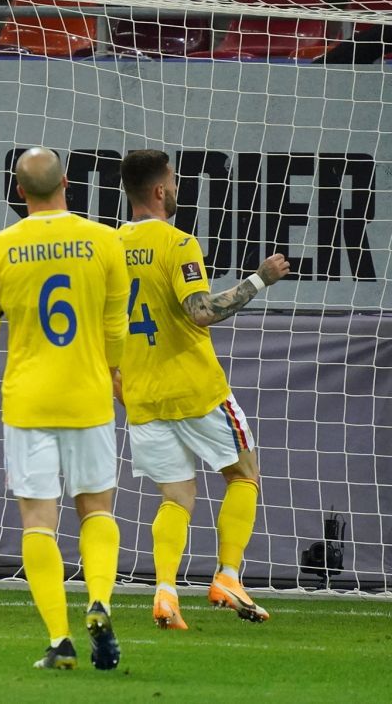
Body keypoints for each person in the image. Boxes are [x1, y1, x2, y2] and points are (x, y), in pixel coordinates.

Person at [0, 148, 130, 671]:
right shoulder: (105, 241)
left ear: (18, 192)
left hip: (27, 402)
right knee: (98, 509)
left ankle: (60, 640)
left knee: (38, 523)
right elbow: (117, 327)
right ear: (68, 183)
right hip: (88, 397)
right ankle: (100, 602)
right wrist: (115, 374)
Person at [117, 150, 289, 629]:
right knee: (244, 474)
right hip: (196, 390)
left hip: (143, 395)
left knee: (175, 499)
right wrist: (260, 279)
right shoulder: (178, 243)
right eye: (173, 180)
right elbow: (201, 311)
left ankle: (166, 593)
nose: (176, 188)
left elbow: (102, 325)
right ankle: (228, 575)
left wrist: (119, 380)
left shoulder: (108, 246)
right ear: (158, 190)